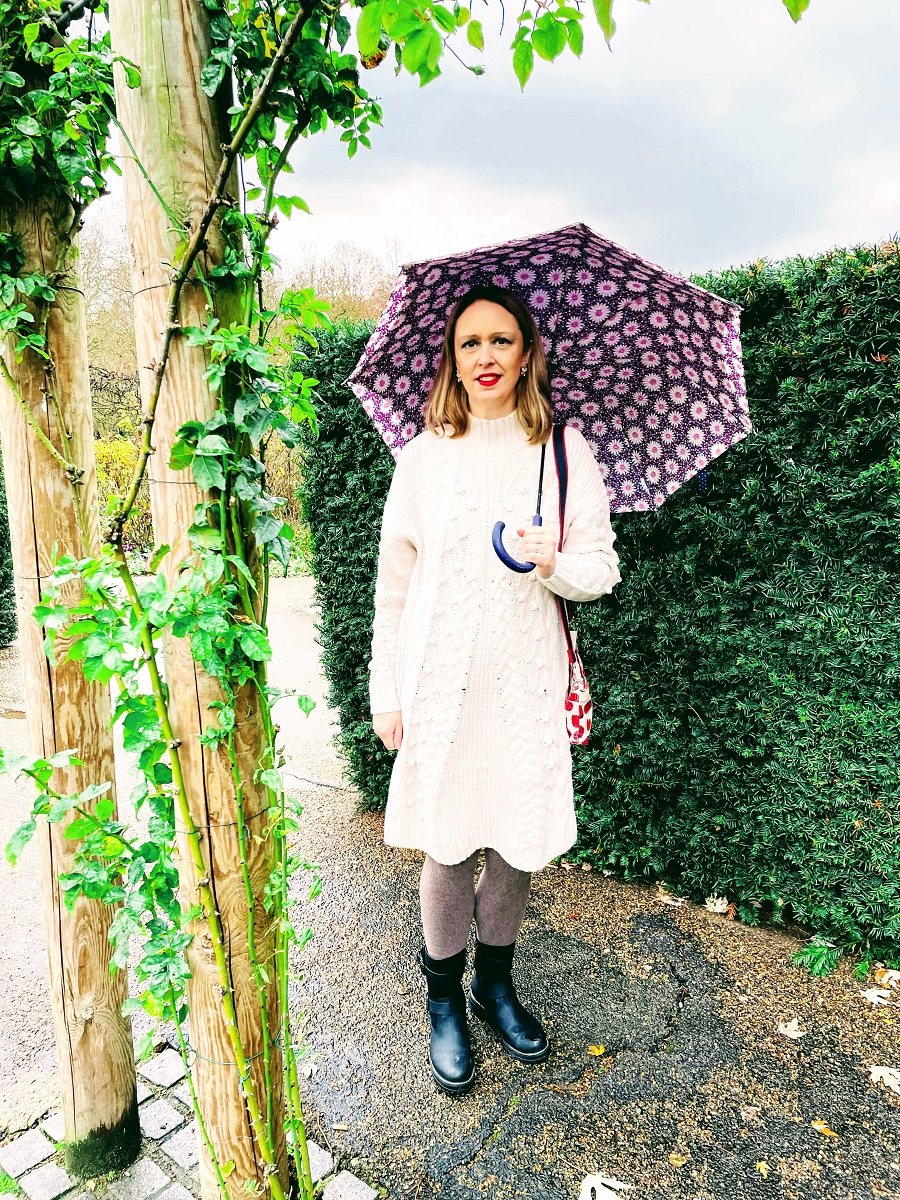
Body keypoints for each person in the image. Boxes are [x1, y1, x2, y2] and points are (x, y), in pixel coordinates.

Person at [369, 284, 621, 1095]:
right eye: (470, 342)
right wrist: (385, 692)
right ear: (452, 357)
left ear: (527, 353)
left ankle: (494, 986)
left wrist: (554, 561)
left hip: (526, 690)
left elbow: (601, 571)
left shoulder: (562, 453)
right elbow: (393, 589)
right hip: (439, 690)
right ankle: (444, 1000)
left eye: (501, 340)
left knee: (516, 846)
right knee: (446, 847)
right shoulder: (422, 459)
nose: (485, 357)